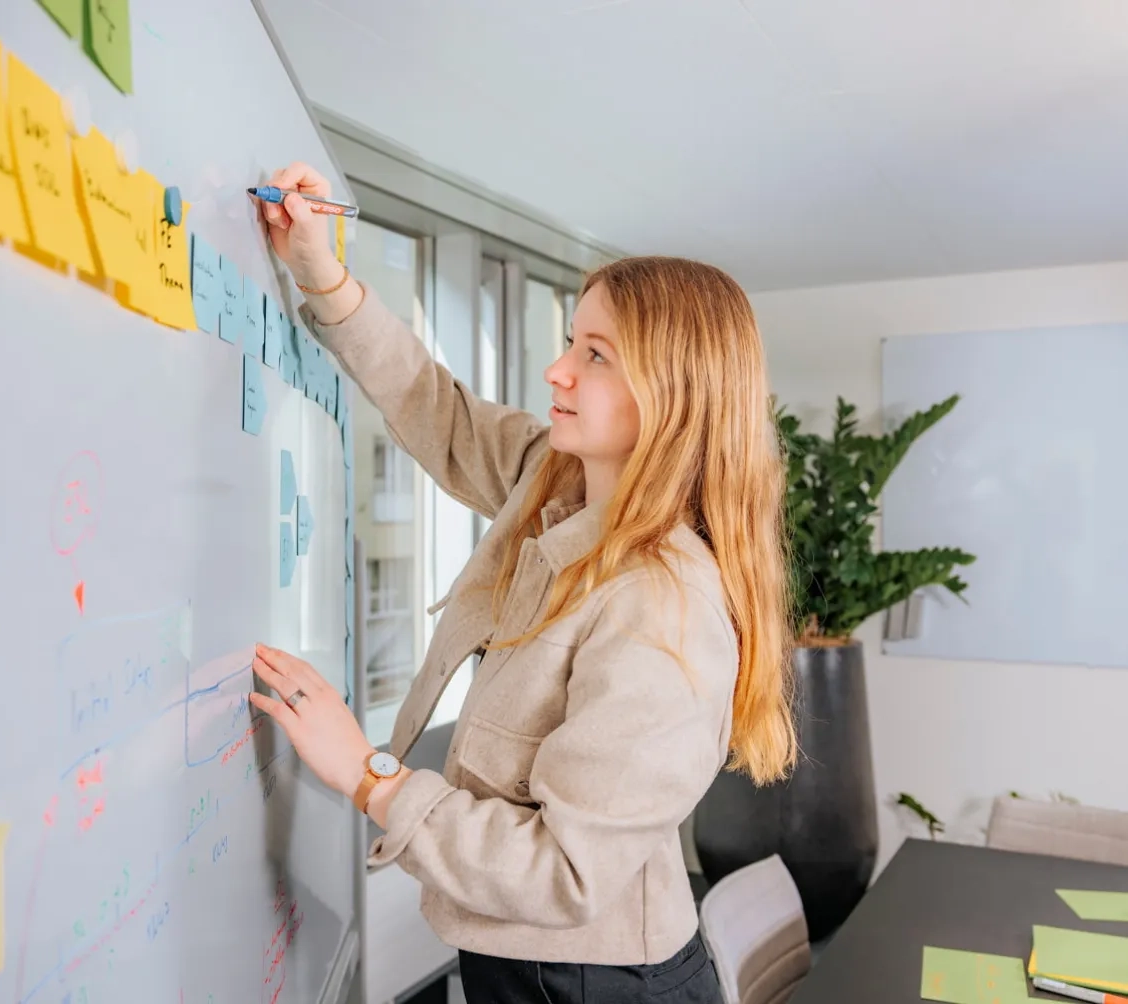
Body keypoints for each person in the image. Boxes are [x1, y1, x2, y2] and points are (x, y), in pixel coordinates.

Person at [247, 163, 796, 1004]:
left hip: (601, 983)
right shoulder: (560, 478)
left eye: (595, 355)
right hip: (532, 964)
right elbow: (441, 411)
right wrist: (323, 276)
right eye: (573, 342)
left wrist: (367, 774)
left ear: (673, 396)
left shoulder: (664, 606)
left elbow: (564, 873)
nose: (558, 372)